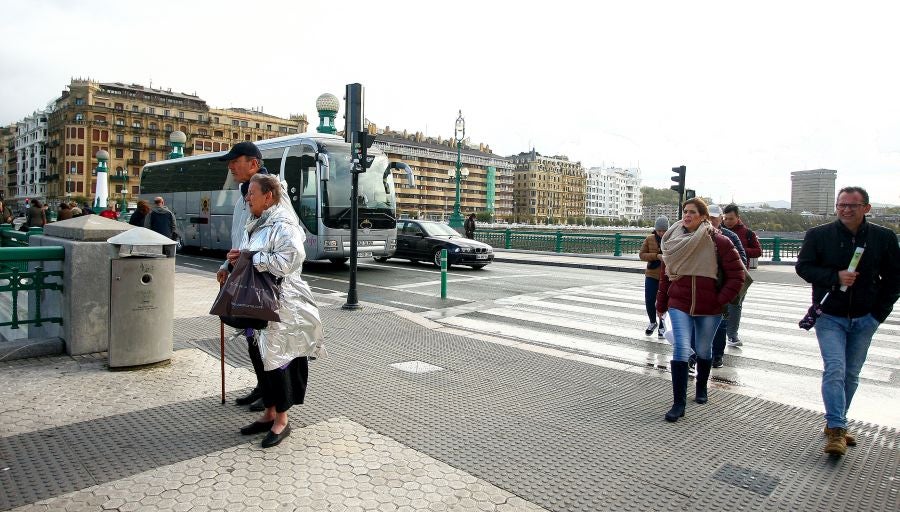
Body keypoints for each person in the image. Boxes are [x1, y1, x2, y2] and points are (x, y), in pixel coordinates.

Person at [796, 186, 899, 456]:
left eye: (852, 205)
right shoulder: (819, 235)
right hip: (830, 315)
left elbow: (894, 279)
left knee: (851, 374)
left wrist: (878, 315)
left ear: (866, 208)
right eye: (841, 205)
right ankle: (838, 428)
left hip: (865, 317)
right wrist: (835, 277)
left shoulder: (883, 238)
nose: (846, 210)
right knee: (835, 369)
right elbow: (804, 267)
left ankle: (837, 421)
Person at [231, 173, 324, 448]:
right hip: (260, 304)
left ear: (268, 196)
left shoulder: (284, 225)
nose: (247, 198)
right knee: (261, 358)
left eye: (251, 193)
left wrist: (252, 258)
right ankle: (269, 413)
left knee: (278, 360)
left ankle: (282, 421)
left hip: (282, 306)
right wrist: (235, 262)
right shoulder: (259, 224)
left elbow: (291, 259)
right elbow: (253, 256)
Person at [656, 198, 745, 422]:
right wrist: (661, 303)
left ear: (704, 217)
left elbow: (737, 276)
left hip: (709, 306)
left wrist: (719, 300)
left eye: (693, 212)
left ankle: (702, 387)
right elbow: (665, 277)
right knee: (681, 349)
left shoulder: (719, 242)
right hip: (680, 303)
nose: (687, 216)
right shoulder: (673, 242)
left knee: (704, 350)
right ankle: (678, 403)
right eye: (685, 212)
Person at [216, 141, 270, 412]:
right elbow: (239, 238)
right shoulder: (243, 195)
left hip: (261, 279)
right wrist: (227, 265)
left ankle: (271, 393)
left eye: (236, 160)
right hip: (243, 274)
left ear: (253, 164)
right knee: (249, 334)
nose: (231, 166)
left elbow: (279, 239)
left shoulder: (270, 194)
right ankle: (262, 385)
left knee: (263, 337)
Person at [705, 205, 747, 369]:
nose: (711, 221)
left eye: (715, 218)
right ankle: (696, 355)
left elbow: (742, 261)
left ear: (720, 218)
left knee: (720, 323)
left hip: (721, 287)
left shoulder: (730, 236)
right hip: (703, 286)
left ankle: (716, 355)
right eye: (709, 217)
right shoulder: (696, 235)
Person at [721, 204, 762, 347]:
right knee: (720, 305)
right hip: (722, 274)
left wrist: (739, 250)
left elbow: (758, 251)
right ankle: (721, 333)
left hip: (740, 273)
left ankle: (732, 335)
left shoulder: (748, 233)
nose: (727, 221)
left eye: (731, 218)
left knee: (735, 305)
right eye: (725, 218)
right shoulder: (718, 231)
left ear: (738, 218)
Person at [639, 216, 668, 339]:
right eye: (659, 230)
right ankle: (652, 322)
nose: (661, 233)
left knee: (662, 301)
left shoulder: (671, 239)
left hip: (666, 275)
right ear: (655, 229)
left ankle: (662, 325)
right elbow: (642, 255)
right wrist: (656, 256)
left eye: (664, 230)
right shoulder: (649, 239)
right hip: (652, 274)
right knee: (650, 299)